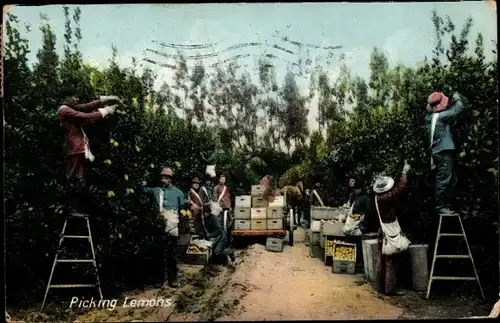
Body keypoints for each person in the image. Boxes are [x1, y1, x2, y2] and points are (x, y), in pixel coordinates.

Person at [57, 87, 120, 216]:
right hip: (74, 148)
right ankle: (71, 209)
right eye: (74, 96)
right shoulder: (65, 110)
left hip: (76, 148)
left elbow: (85, 107)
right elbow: (86, 116)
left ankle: (74, 208)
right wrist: (105, 111)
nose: (77, 98)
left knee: (78, 178)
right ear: (66, 98)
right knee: (74, 178)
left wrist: (103, 100)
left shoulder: (68, 108)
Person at [141, 167, 185, 288]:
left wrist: (181, 225)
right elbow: (143, 190)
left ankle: (173, 279)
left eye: (166, 178)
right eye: (162, 177)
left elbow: (182, 211)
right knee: (158, 254)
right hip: (159, 226)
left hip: (173, 226)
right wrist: (143, 180)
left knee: (172, 255)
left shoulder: (178, 193)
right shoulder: (155, 191)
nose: (163, 180)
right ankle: (158, 279)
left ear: (171, 179)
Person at [425, 92, 467, 214]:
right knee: (443, 179)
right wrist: (456, 97)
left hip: (438, 152)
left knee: (450, 179)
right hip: (443, 152)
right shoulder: (442, 116)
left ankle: (447, 204)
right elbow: (458, 108)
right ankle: (441, 207)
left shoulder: (430, 118)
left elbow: (443, 113)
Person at [372, 162, 411, 296]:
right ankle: (389, 289)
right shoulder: (385, 198)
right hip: (388, 232)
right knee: (389, 261)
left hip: (381, 232)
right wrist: (404, 172)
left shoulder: (377, 198)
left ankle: (380, 288)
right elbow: (400, 188)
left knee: (381, 259)